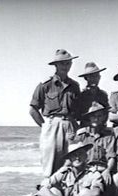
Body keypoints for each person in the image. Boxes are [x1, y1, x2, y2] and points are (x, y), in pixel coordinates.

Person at [29, 49, 80, 179]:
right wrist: (45, 126)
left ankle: (67, 195)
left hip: (70, 125)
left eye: (68, 63)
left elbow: (78, 110)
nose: (65, 66)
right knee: (50, 163)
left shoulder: (74, 86)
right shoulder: (45, 85)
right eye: (62, 63)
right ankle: (48, 194)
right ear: (55, 65)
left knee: (71, 161)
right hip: (52, 125)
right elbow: (33, 109)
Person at [74, 102, 118, 196]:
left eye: (99, 116)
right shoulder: (82, 135)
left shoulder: (108, 135)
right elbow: (75, 155)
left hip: (102, 168)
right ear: (89, 118)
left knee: (107, 181)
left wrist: (108, 170)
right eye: (93, 116)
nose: (96, 119)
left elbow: (111, 156)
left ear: (104, 117)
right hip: (86, 169)